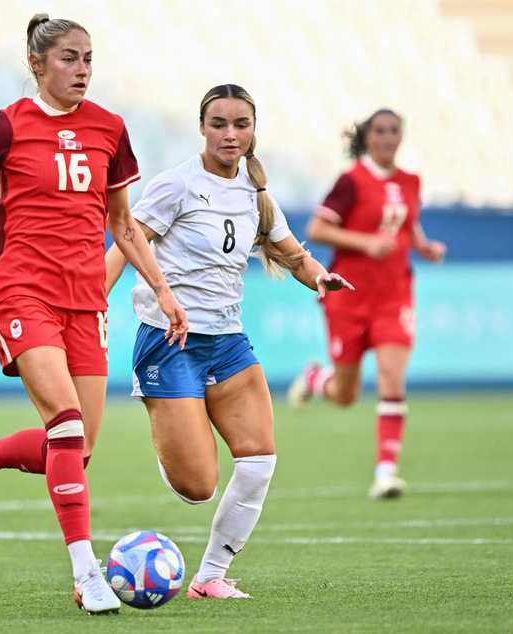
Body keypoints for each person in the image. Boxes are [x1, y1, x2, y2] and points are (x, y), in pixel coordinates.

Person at [0, 14, 188, 615]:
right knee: (64, 424)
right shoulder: (11, 126)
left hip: (86, 301)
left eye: (88, 58)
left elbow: (122, 223)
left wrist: (162, 289)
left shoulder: (110, 129)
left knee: (78, 449)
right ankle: (86, 572)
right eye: (68, 58)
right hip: (20, 292)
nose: (82, 69)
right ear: (37, 64)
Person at [105, 84, 353, 599]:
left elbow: (291, 253)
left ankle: (209, 577)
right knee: (198, 489)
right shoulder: (175, 185)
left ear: (253, 131)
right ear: (201, 127)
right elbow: (126, 241)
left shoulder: (256, 193)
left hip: (227, 342)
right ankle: (170, 427)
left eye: (241, 124)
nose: (230, 134)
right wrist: (91, 304)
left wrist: (321, 277)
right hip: (168, 341)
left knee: (260, 460)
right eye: (218, 123)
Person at [287, 108, 446, 500]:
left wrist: (423, 246)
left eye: (394, 130)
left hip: (394, 296)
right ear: (367, 137)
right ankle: (314, 378)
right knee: (345, 395)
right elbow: (317, 228)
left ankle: (385, 472)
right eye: (380, 131)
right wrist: (366, 242)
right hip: (350, 297)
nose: (388, 137)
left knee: (392, 375)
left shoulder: (410, 181)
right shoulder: (352, 181)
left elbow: (406, 222)